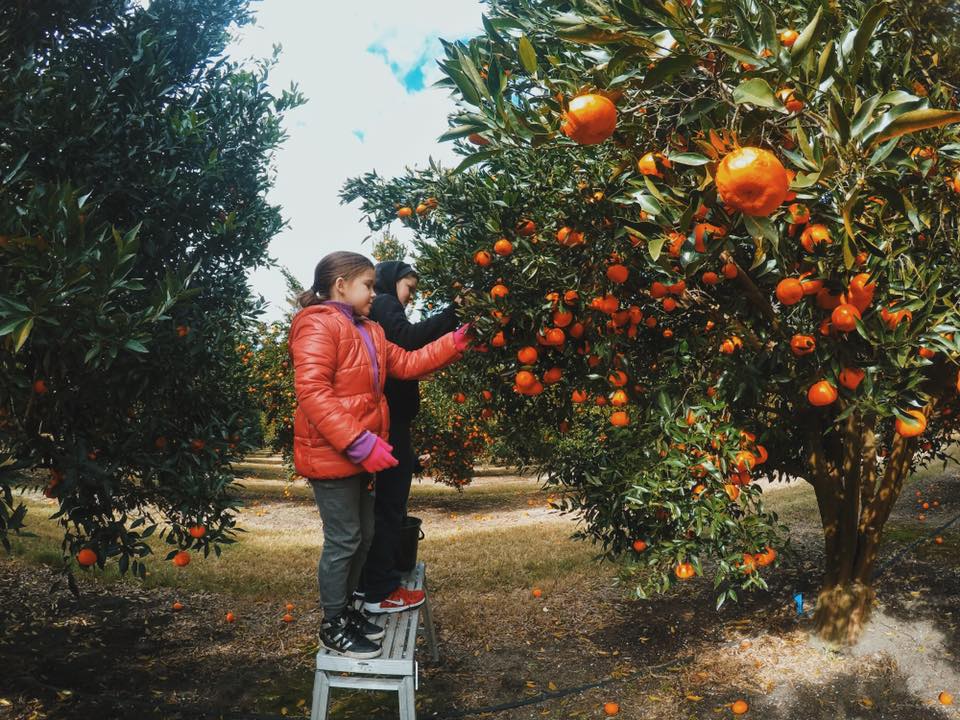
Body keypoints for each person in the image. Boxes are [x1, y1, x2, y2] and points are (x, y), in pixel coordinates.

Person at [288, 251, 470, 659]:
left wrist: (457, 341)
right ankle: (332, 623)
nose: (375, 294)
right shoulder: (316, 324)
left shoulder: (369, 329)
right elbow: (313, 392)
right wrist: (357, 440)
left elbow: (408, 363)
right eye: (368, 286)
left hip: (355, 456)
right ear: (341, 285)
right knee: (345, 539)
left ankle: (350, 610)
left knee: (366, 533)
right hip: (332, 454)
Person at [359, 261, 459, 615]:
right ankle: (380, 588)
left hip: (386, 421)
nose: (411, 297)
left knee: (380, 506)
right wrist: (454, 315)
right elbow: (410, 342)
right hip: (392, 422)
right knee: (391, 505)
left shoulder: (378, 312)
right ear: (392, 282)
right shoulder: (386, 303)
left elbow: (407, 357)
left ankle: (368, 583)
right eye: (410, 288)